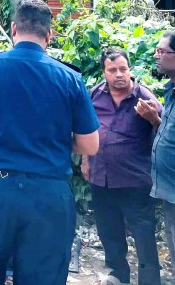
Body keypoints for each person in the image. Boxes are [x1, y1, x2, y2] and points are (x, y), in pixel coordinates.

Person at [0, 0, 100, 284]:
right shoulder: (70, 78)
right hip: (48, 192)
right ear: (49, 35)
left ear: (13, 29)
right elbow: (90, 145)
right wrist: (57, 140)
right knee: (43, 276)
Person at [81, 48, 162, 285]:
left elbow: (166, 138)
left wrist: (153, 119)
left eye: (123, 69)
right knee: (109, 233)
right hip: (101, 179)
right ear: (104, 72)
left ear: (130, 70)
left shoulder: (145, 97)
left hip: (135, 182)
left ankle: (149, 281)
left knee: (144, 236)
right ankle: (118, 277)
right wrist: (86, 161)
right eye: (112, 70)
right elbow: (87, 130)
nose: (119, 74)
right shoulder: (94, 95)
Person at [150, 31, 175, 274]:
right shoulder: (170, 90)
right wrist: (154, 120)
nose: (156, 56)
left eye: (162, 51)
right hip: (170, 193)